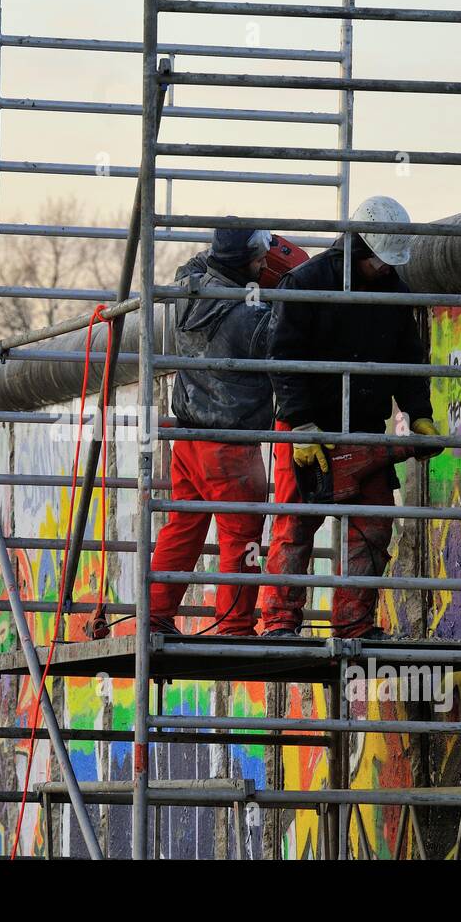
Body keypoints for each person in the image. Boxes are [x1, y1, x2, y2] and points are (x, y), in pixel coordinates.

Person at [261, 196, 441, 639]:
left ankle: (354, 625)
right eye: (380, 260)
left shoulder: (395, 293)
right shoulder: (303, 284)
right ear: (357, 248)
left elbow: (407, 359)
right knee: (296, 523)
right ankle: (280, 623)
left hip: (363, 430)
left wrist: (420, 414)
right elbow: (282, 357)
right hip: (308, 430)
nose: (386, 268)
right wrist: (301, 424)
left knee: (374, 525)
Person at [148, 227, 300, 637]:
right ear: (238, 263)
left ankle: (154, 616)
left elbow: (196, 264)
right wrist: (293, 282)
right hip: (232, 446)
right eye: (257, 260)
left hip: (189, 438)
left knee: (183, 526)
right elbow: (288, 336)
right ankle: (234, 626)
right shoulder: (249, 318)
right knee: (241, 537)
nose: (264, 265)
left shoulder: (188, 290)